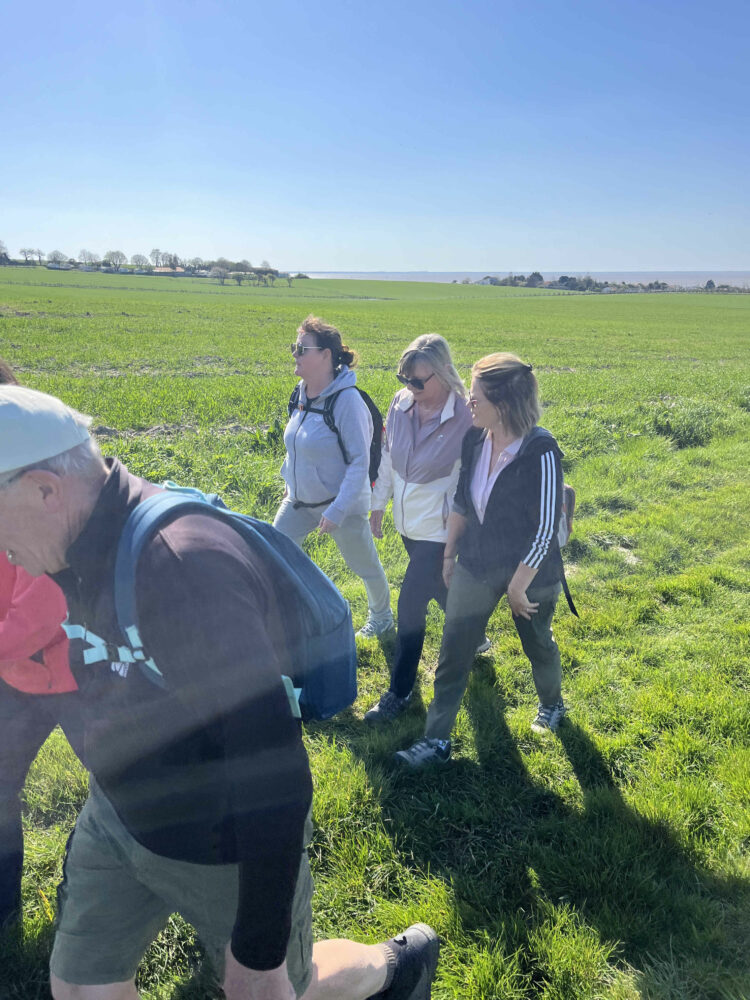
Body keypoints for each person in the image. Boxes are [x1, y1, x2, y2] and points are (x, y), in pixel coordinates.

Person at [0, 384, 439, 1000]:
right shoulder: (64, 545)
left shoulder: (184, 571)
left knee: (285, 987)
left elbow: (276, 772)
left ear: (45, 489)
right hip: (116, 818)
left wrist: (259, 954)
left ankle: (395, 964)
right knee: (78, 990)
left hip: (221, 845)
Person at [395, 353, 570, 769]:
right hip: (477, 562)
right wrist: (449, 554)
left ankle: (552, 704)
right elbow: (461, 500)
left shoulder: (541, 450)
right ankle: (435, 742)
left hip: (531, 570)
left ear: (503, 404)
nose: (468, 404)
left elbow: (546, 529)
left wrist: (517, 586)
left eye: (475, 398)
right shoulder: (475, 438)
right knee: (453, 650)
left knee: (537, 643)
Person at [0, 358, 83, 931]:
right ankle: (5, 908)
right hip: (19, 673)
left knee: (121, 791)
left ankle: (87, 903)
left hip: (82, 672)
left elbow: (44, 603)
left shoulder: (38, 472)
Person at [364, 335, 474, 723]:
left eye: (417, 380)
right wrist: (379, 504)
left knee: (410, 603)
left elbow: (469, 480)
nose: (409, 386)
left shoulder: (466, 417)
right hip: (408, 524)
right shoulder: (400, 403)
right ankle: (472, 630)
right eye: (404, 378)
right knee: (440, 587)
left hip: (440, 529)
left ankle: (400, 692)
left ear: (443, 374)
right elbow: (388, 457)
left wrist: (457, 533)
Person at [274, 315, 394, 639]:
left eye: (302, 349)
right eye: (294, 347)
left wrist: (338, 510)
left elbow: (359, 462)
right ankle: (288, 617)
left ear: (326, 355)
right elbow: (295, 447)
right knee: (273, 553)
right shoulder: (300, 394)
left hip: (341, 505)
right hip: (298, 502)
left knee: (365, 566)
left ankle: (382, 617)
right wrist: (289, 484)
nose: (295, 354)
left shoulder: (347, 402)